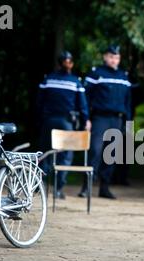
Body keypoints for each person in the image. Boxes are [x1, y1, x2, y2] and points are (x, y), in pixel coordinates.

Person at [78, 45, 132, 200]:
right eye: (111, 57)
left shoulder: (124, 77)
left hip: (117, 119)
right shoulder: (96, 74)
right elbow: (85, 98)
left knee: (111, 154)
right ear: (105, 57)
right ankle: (86, 186)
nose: (114, 60)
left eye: (116, 57)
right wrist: (86, 118)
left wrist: (128, 124)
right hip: (100, 118)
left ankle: (104, 187)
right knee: (95, 151)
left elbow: (128, 103)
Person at [37, 51, 90, 199]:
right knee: (66, 156)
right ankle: (58, 189)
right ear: (70, 64)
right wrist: (86, 120)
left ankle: (39, 187)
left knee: (45, 154)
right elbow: (83, 105)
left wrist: (41, 120)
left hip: (49, 122)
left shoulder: (48, 80)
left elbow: (39, 103)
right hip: (66, 123)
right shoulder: (75, 82)